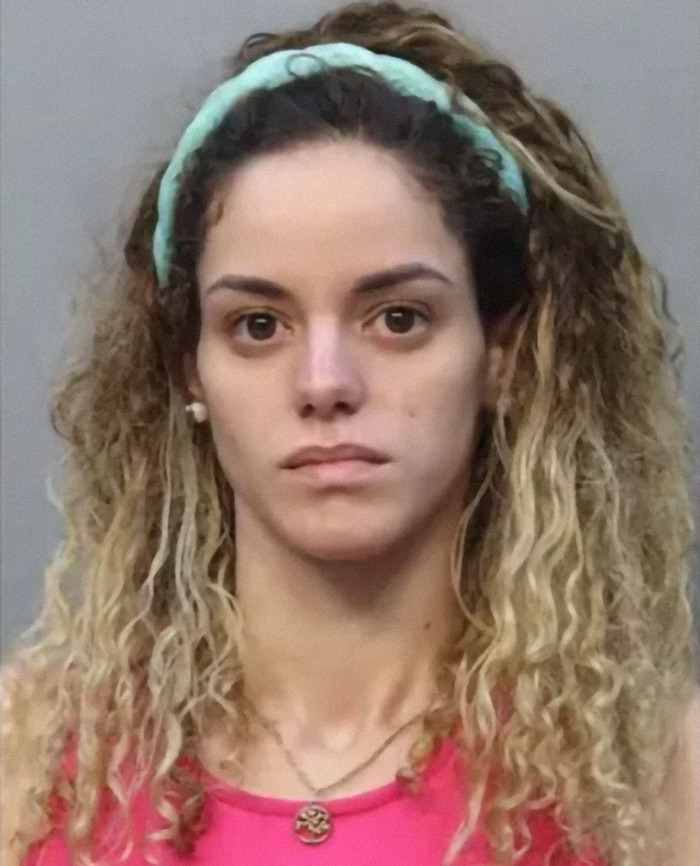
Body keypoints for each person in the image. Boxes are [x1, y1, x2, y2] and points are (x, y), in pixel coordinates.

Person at [2, 2, 698, 865]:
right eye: (259, 325)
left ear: (503, 354)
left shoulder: (658, 778)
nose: (324, 383)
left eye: (397, 318)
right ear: (188, 368)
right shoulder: (27, 765)